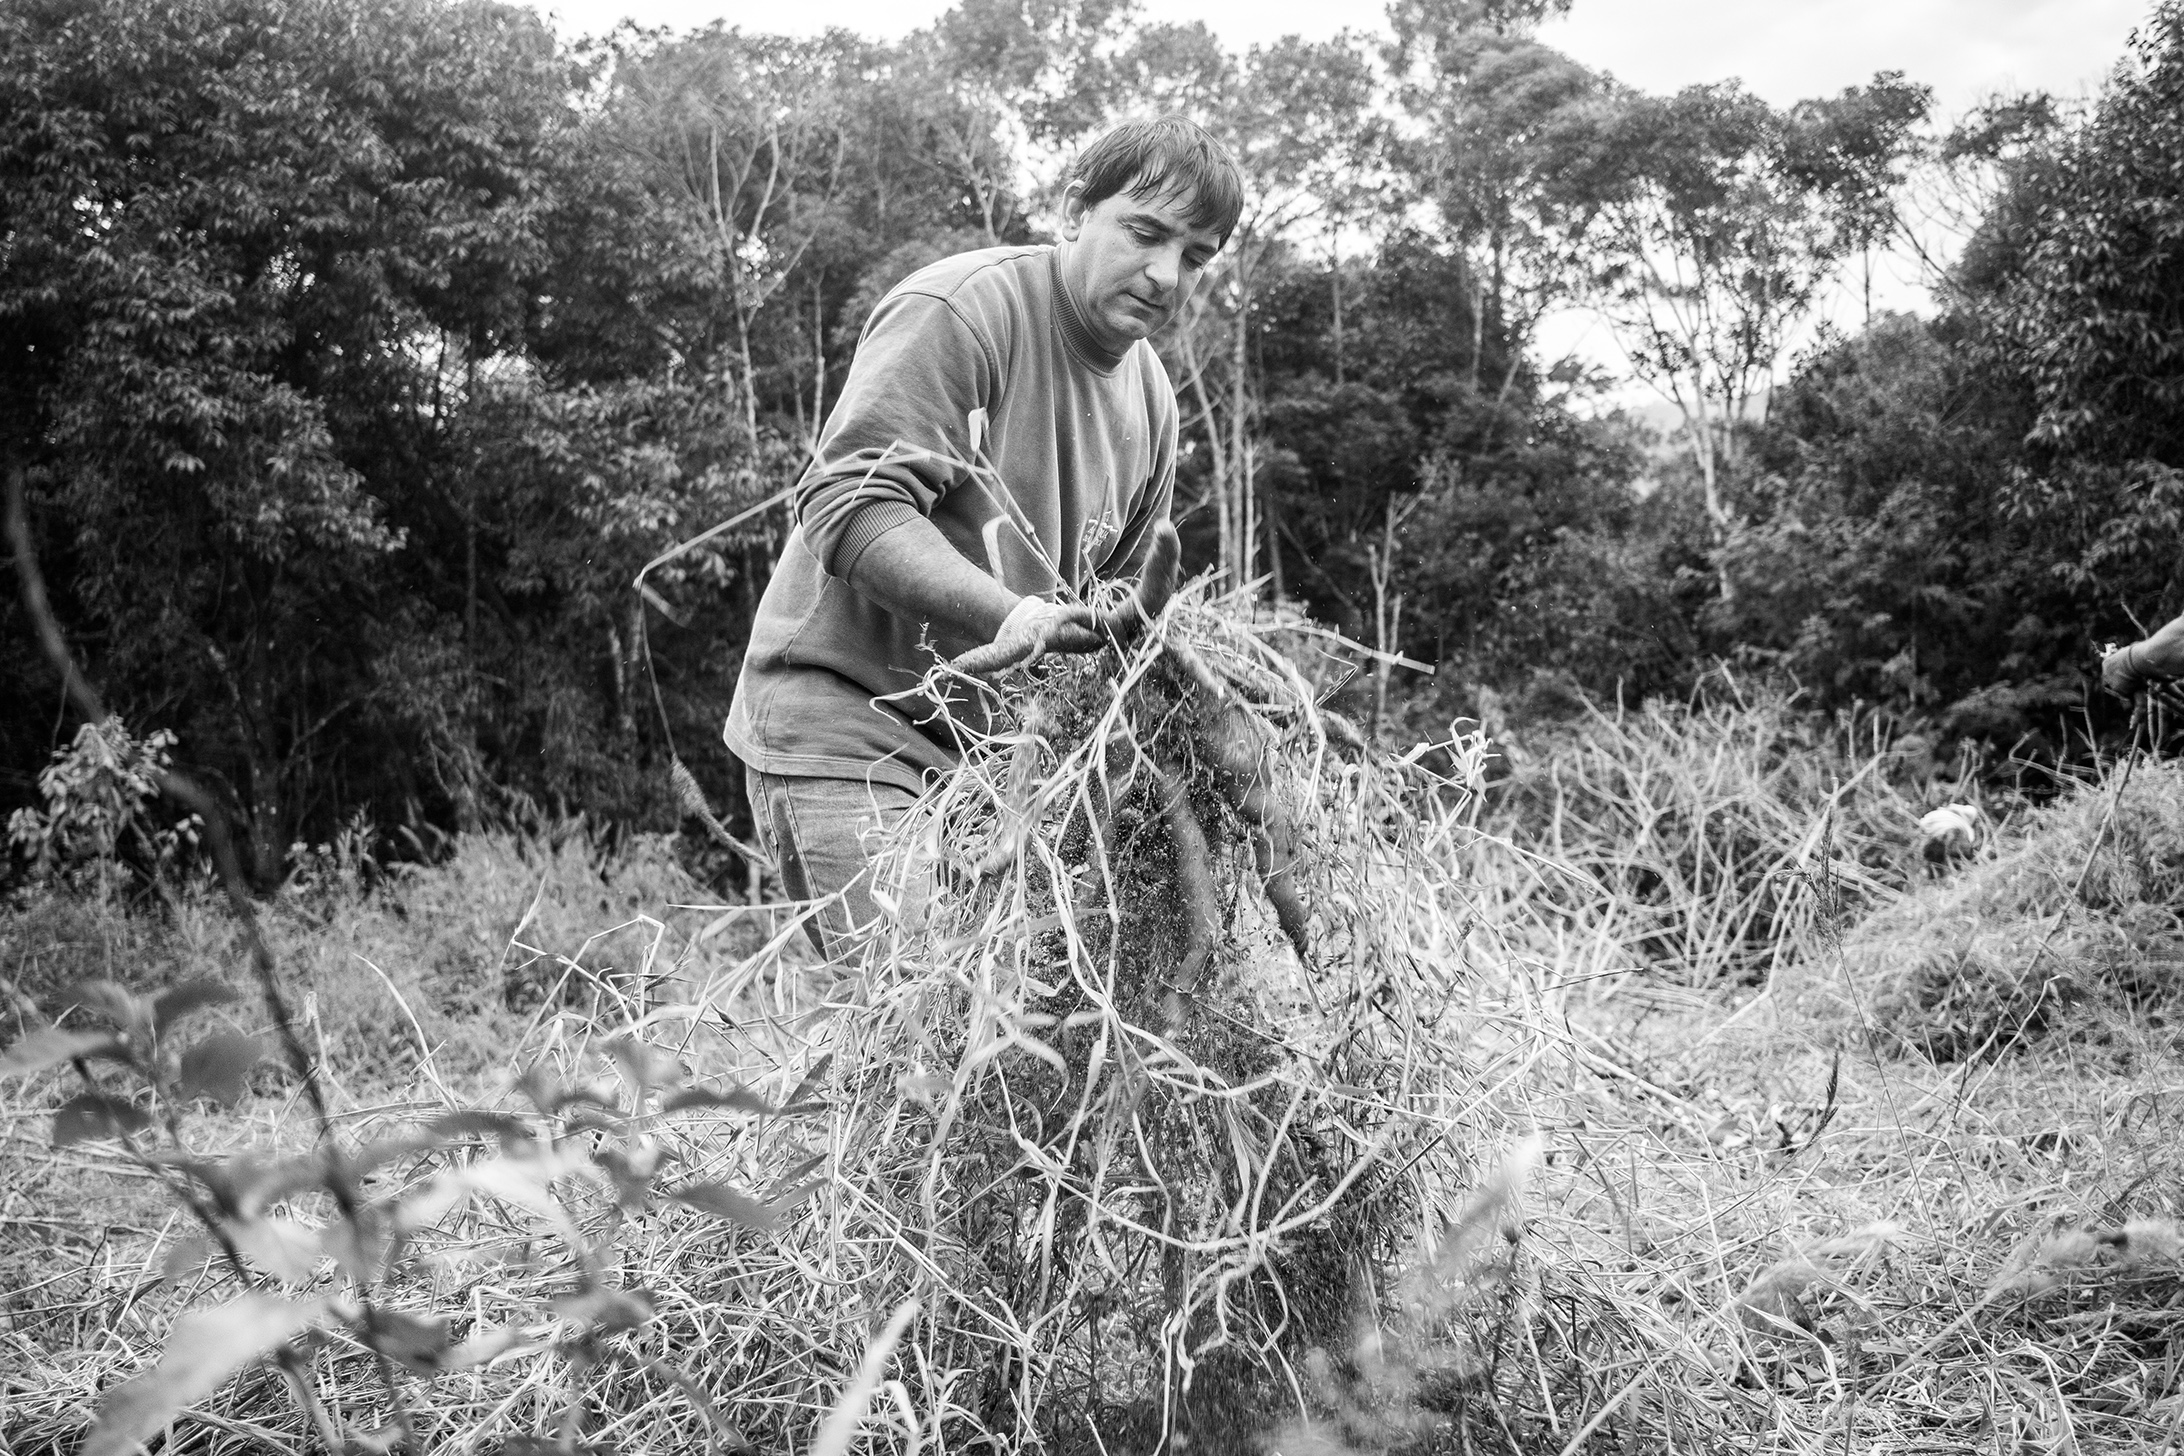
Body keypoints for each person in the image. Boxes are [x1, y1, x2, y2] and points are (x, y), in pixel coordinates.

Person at [724, 116, 1244, 955]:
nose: (1164, 274)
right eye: (1145, 233)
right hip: (849, 728)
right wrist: (1009, 615)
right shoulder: (966, 310)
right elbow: (848, 505)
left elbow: (1105, 613)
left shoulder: (1153, 402)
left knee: (1006, 1057)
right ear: (1075, 208)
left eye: (1195, 256)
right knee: (913, 1032)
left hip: (988, 775)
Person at [2101, 612, 2184, 700]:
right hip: (2154, 649)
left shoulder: (2116, 680)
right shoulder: (2111, 664)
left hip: (2153, 657)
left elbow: (2142, 703)